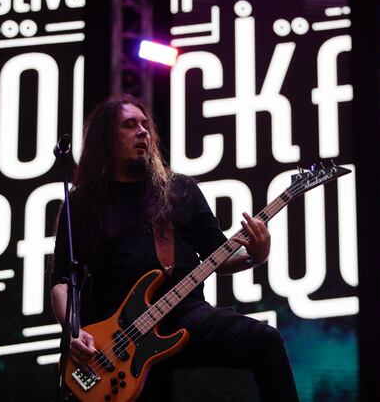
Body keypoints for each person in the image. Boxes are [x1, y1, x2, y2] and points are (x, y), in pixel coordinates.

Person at [50, 94, 299, 401]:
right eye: (130, 125)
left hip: (186, 316)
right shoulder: (81, 205)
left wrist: (255, 256)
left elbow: (219, 255)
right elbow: (62, 281)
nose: (143, 132)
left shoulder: (180, 191)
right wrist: (73, 330)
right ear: (107, 139)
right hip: (115, 344)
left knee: (266, 340)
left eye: (145, 125)